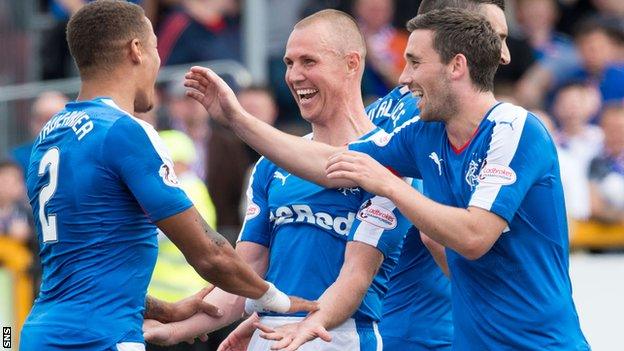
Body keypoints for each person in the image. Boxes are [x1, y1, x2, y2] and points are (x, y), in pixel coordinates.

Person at [183, 7, 590, 350]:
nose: (402, 78)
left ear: (457, 66)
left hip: (540, 342)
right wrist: (237, 118)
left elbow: (473, 237)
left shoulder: (514, 128)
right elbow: (331, 162)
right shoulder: (421, 134)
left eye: (414, 62)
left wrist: (389, 183)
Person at [19, 2, 315, 351]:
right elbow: (209, 252)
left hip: (37, 334)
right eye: (157, 48)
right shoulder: (124, 131)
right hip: (100, 339)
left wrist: (167, 309)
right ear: (136, 50)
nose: (158, 63)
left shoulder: (47, 137)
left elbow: (79, 270)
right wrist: (278, 301)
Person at [143, 9, 411, 351]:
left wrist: (306, 328)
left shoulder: (388, 162)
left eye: (308, 61)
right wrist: (175, 332)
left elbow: (354, 279)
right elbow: (244, 279)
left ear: (352, 64)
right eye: (288, 63)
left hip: (337, 339)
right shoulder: (271, 167)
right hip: (269, 340)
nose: (294, 76)